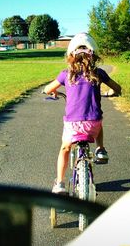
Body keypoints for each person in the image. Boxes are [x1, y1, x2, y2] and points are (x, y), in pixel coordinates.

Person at [44, 33, 122, 194]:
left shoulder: (65, 74)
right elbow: (117, 88)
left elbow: (48, 89)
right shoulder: (99, 73)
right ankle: (100, 149)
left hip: (73, 125)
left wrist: (54, 93)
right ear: (93, 55)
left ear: (71, 56)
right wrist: (111, 93)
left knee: (65, 148)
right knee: (98, 118)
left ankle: (60, 183)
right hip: (93, 125)